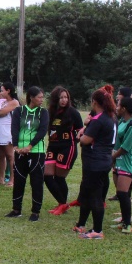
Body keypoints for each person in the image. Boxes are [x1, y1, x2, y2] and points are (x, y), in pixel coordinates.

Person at [73, 89, 118, 240]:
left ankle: (97, 231)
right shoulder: (111, 117)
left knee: (95, 197)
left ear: (94, 102)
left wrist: (81, 135)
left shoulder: (99, 119)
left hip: (95, 163)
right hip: (103, 160)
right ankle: (81, 224)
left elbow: (84, 140)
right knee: (85, 193)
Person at [5, 86, 49, 221]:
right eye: (39, 97)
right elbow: (15, 128)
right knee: (19, 181)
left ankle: (35, 212)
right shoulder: (19, 110)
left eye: (42, 97)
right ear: (31, 97)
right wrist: (17, 147)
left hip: (36, 152)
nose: (42, 100)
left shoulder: (43, 112)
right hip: (20, 152)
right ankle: (16, 209)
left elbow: (42, 131)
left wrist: (30, 146)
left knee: (36, 182)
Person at [44, 86, 83, 215]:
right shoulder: (51, 112)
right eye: (61, 97)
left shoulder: (73, 113)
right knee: (47, 176)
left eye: (66, 97)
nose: (64, 100)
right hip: (52, 146)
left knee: (59, 178)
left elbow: (80, 130)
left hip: (67, 148)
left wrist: (75, 140)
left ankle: (62, 205)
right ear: (56, 99)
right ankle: (62, 203)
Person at [112, 97, 132, 233]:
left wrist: (111, 156)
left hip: (128, 163)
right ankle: (124, 221)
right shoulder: (121, 122)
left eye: (118, 105)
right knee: (120, 193)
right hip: (119, 162)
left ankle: (128, 225)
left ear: (124, 108)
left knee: (123, 193)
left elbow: (125, 147)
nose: (116, 107)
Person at [0, 82, 20, 186]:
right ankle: (1, 178)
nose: (1, 92)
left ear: (8, 90)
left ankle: (12, 179)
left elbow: (0, 113)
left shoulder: (14, 102)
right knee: (0, 155)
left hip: (7, 130)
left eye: (2, 90)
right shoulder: (2, 101)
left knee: (10, 155)